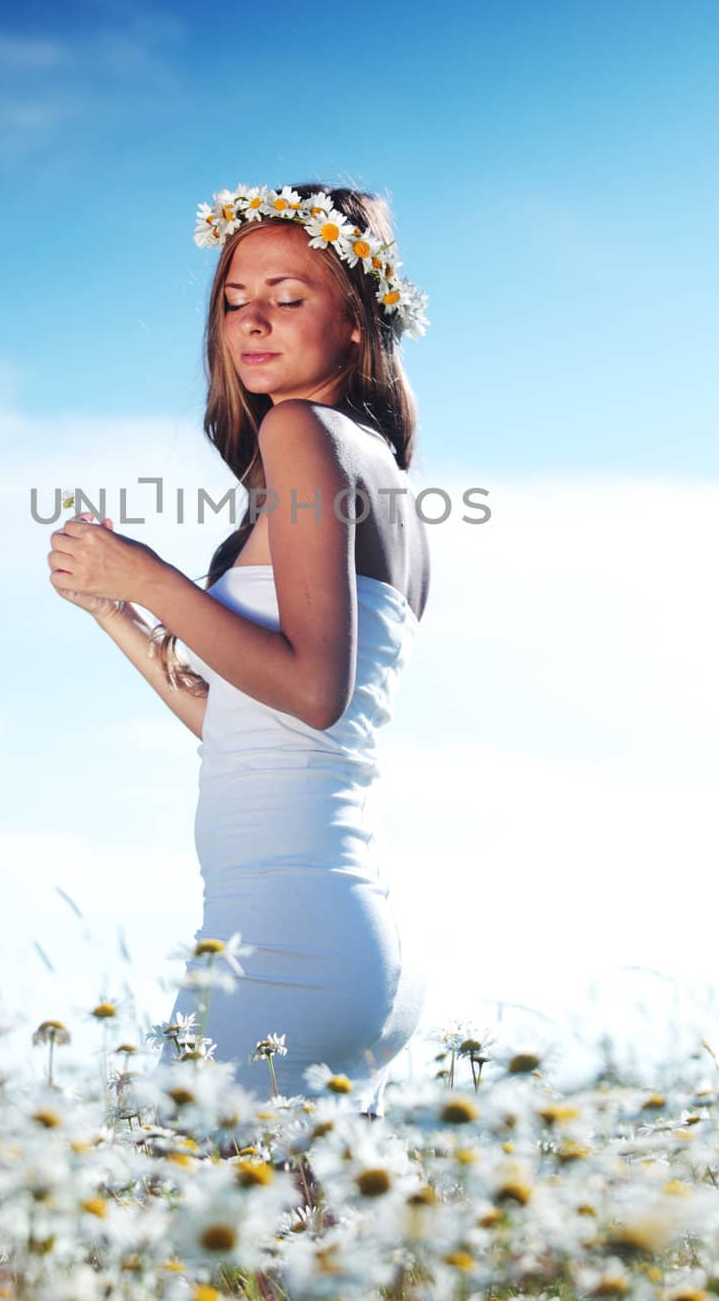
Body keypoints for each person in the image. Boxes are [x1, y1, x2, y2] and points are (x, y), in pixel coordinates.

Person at [46, 181, 431, 1117]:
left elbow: (309, 692)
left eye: (287, 297)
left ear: (355, 320)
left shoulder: (303, 433)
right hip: (337, 932)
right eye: (232, 300)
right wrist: (116, 613)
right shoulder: (371, 469)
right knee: (300, 1253)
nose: (251, 322)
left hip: (288, 933)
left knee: (160, 1199)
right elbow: (251, 727)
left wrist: (148, 576)